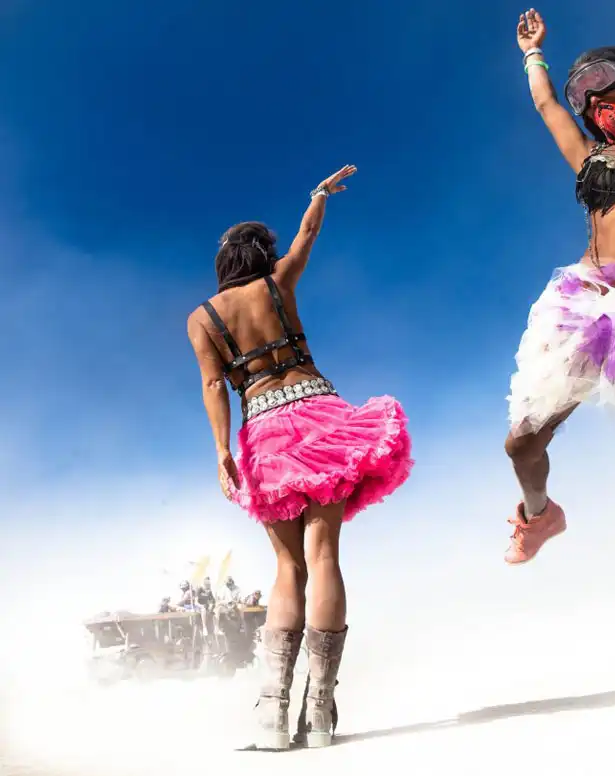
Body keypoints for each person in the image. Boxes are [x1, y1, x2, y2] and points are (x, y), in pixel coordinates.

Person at [187, 165, 413, 749]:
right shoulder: (277, 284)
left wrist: (221, 450)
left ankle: (271, 717)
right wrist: (318, 197)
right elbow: (307, 236)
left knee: (288, 568)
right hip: (319, 416)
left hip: (264, 434)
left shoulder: (202, 319)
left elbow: (213, 386)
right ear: (261, 256)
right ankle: (319, 714)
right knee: (325, 555)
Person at [506, 9, 615, 564]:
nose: (592, 98)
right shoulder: (589, 157)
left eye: (599, 80)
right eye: (581, 94)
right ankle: (540, 516)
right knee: (522, 443)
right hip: (591, 310)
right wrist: (533, 53)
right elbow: (546, 106)